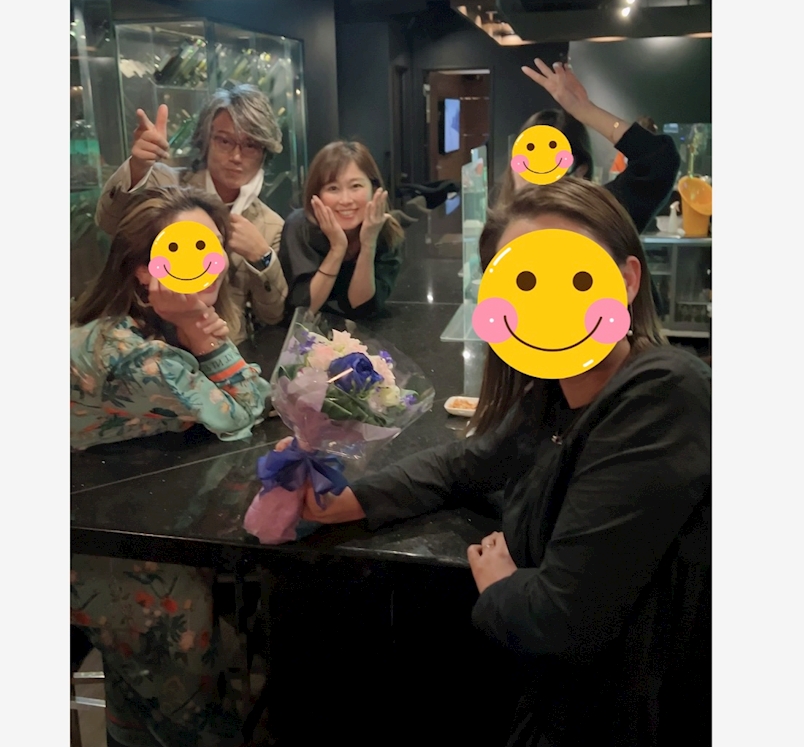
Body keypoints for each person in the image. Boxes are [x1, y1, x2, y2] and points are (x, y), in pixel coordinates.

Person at [298, 178, 711, 746]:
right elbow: (463, 463)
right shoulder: (552, 394)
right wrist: (348, 498)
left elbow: (563, 622)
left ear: (628, 280)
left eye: (575, 277)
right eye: (524, 283)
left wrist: (499, 587)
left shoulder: (663, 394)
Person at [72, 186, 271, 747]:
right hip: (99, 548)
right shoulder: (133, 354)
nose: (198, 264)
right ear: (142, 269)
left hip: (106, 512)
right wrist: (203, 336)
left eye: (208, 248)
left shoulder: (144, 326)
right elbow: (243, 409)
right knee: (187, 707)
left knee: (143, 690)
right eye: (177, 250)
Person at [95, 84, 288, 344]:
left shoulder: (269, 225)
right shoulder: (167, 184)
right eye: (224, 141)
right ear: (206, 141)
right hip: (152, 342)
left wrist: (262, 258)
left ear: (265, 152)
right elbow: (108, 222)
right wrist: (138, 167)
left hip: (225, 346)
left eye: (251, 145)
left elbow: (273, 315)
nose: (236, 156)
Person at [497, 60, 680, 236]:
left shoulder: (602, 219)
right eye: (528, 156)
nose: (538, 174)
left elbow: (659, 159)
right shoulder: (500, 229)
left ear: (580, 170)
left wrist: (586, 111)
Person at [279, 140, 404, 319]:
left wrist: (368, 243)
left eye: (356, 186)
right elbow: (304, 311)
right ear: (316, 195)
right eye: (333, 188)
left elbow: (362, 309)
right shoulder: (299, 228)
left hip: (361, 332)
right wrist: (338, 248)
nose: (345, 200)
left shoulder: (386, 231)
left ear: (374, 189)